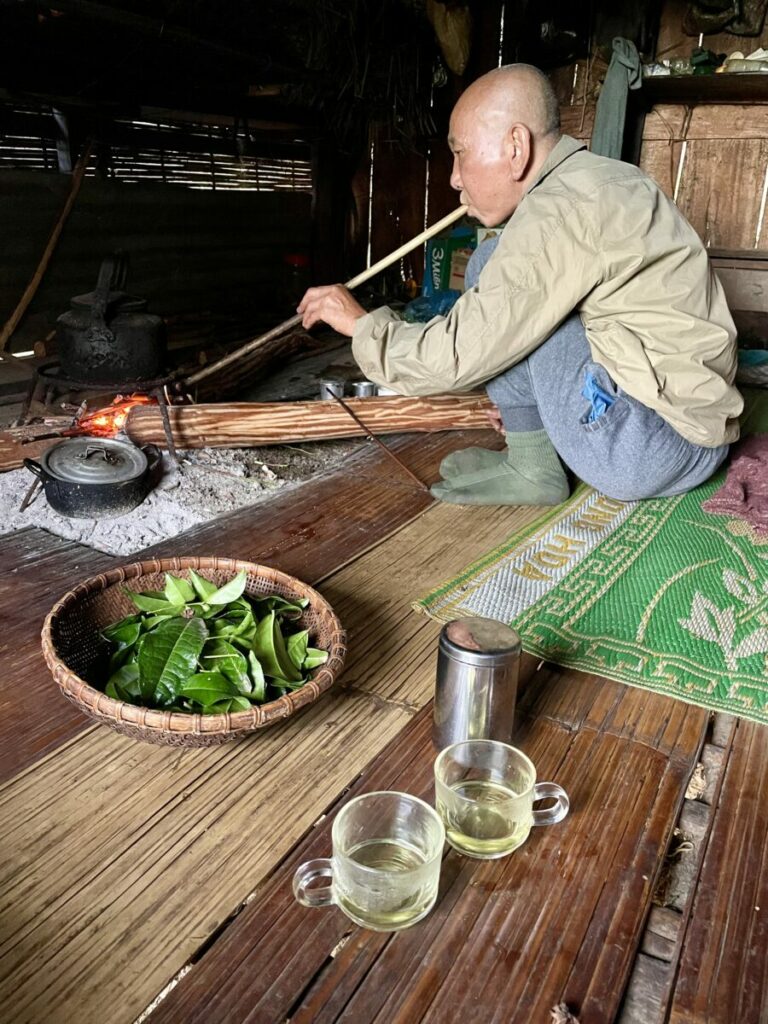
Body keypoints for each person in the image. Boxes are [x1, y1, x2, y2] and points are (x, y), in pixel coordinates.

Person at [297, 63, 742, 506]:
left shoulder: (560, 211)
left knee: (506, 293)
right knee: (494, 262)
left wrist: (361, 325)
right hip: (687, 429)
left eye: (460, 153)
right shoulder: (599, 178)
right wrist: (533, 398)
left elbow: (453, 356)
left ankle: (534, 466)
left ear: (516, 147)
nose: (454, 177)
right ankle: (533, 456)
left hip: (649, 449)